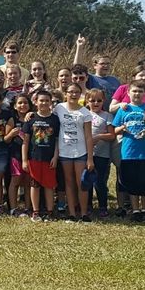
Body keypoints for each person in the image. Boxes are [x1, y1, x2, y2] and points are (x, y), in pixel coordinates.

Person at [112, 80, 145, 222]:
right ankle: (135, 210)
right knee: (131, 183)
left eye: (140, 91)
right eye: (134, 91)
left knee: (144, 182)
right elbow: (114, 129)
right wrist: (122, 129)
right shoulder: (124, 109)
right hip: (128, 153)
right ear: (128, 93)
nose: (137, 94)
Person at [55, 84, 94, 221]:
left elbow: (89, 136)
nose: (73, 94)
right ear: (66, 93)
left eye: (77, 92)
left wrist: (90, 158)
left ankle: (83, 213)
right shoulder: (59, 108)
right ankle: (71, 213)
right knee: (69, 182)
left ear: (80, 94)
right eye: (71, 92)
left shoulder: (85, 113)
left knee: (81, 183)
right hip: (64, 151)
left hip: (80, 152)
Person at [20, 89, 60, 221]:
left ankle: (49, 212)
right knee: (34, 185)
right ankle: (35, 211)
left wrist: (55, 157)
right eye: (41, 100)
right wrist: (25, 160)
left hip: (49, 159)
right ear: (35, 102)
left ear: (51, 103)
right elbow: (25, 142)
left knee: (49, 186)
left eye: (47, 101)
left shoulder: (55, 119)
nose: (44, 103)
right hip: (34, 158)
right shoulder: (31, 119)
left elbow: (56, 140)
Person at [85, 88, 115, 217]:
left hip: (101, 154)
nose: (95, 103)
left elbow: (112, 135)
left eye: (99, 100)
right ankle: (88, 206)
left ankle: (103, 206)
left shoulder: (107, 116)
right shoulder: (84, 115)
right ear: (87, 101)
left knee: (100, 181)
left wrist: (99, 137)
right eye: (92, 100)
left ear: (103, 101)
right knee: (87, 181)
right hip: (86, 154)